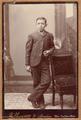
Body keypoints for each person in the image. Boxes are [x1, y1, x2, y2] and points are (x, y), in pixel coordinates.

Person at [25, 17, 55, 109]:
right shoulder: (32, 35)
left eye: (42, 23)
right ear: (36, 24)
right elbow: (27, 51)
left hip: (45, 62)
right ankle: (40, 102)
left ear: (46, 24)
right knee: (36, 83)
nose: (40, 25)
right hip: (33, 62)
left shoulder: (49, 35)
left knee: (46, 81)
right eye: (38, 23)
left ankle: (32, 97)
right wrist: (27, 64)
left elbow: (53, 47)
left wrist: (49, 52)